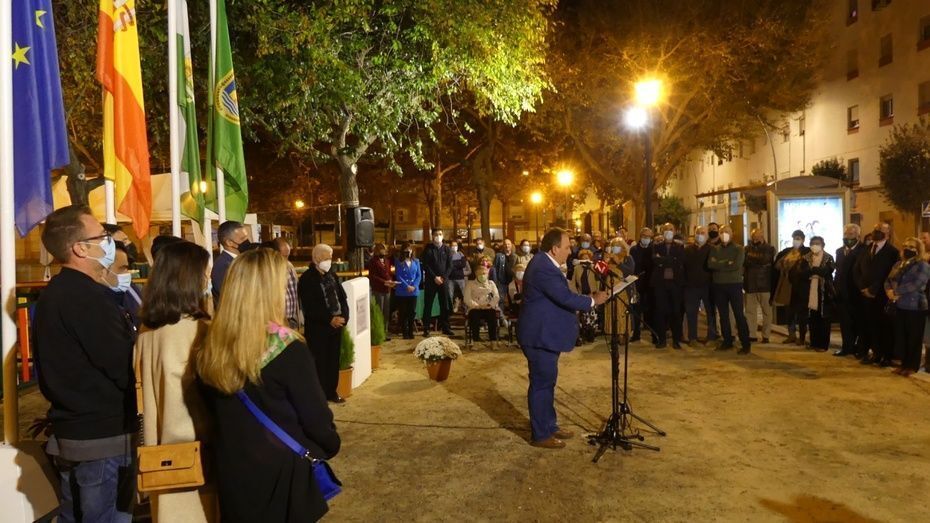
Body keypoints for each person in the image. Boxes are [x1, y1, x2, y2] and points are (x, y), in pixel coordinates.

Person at [195, 249, 340, 522]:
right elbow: (316, 417)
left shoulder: (210, 344)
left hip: (232, 473)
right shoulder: (288, 348)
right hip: (283, 476)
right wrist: (329, 444)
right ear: (269, 292)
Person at [33, 205, 136, 522]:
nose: (110, 242)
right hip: (100, 439)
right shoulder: (86, 297)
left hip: (77, 433)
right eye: (102, 236)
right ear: (79, 248)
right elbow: (121, 364)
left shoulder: (59, 292)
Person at [137, 241, 216, 522]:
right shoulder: (197, 330)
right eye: (204, 273)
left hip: (159, 453)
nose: (207, 280)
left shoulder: (147, 331)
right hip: (194, 450)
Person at [517, 228, 609, 449]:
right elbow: (564, 297)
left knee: (547, 382)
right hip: (539, 336)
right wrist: (592, 301)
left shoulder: (545, 264)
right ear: (554, 248)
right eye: (567, 247)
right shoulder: (543, 267)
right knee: (541, 384)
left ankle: (549, 425)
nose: (570, 251)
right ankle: (541, 434)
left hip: (545, 335)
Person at [298, 243, 350, 403]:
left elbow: (342, 298)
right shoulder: (307, 279)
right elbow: (310, 307)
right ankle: (319, 396)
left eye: (330, 258)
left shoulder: (332, 275)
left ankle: (332, 392)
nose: (329, 261)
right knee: (319, 363)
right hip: (318, 330)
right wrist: (329, 319)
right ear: (316, 258)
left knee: (333, 361)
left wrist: (344, 317)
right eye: (326, 258)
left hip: (336, 328)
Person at [854, 222, 900, 366]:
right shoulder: (866, 249)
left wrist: (874, 289)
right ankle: (876, 353)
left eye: (880, 230)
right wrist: (862, 287)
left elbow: (890, 274)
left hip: (881, 295)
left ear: (887, 234)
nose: (876, 232)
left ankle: (886, 355)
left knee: (884, 327)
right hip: (865, 295)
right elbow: (857, 269)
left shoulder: (893, 252)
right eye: (875, 229)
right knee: (870, 325)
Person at [885, 237, 930, 376]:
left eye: (911, 246)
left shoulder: (922, 265)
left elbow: (917, 284)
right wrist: (889, 291)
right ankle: (903, 364)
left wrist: (896, 292)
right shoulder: (898, 264)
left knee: (914, 338)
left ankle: (912, 365)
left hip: (915, 306)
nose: (907, 249)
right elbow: (888, 279)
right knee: (902, 337)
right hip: (899, 305)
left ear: (918, 249)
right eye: (905, 246)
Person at [707, 225, 751, 354]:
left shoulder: (739, 249)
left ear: (732, 234)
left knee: (739, 315)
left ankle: (745, 343)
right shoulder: (715, 249)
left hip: (734, 285)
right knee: (723, 315)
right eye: (721, 232)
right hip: (719, 285)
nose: (724, 234)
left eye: (726, 232)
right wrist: (727, 262)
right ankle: (727, 341)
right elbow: (710, 264)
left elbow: (736, 265)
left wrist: (719, 263)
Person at [650, 223, 686, 349]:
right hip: (661, 284)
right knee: (660, 311)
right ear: (662, 232)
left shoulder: (680, 246)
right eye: (666, 229)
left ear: (675, 231)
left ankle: (676, 340)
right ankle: (662, 340)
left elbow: (680, 261)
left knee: (676, 312)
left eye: (671, 229)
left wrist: (663, 260)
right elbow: (655, 260)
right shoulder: (657, 246)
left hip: (675, 284)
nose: (668, 231)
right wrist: (671, 260)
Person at [834, 224, 867, 357]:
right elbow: (838, 271)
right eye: (846, 234)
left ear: (858, 236)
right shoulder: (839, 251)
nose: (848, 237)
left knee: (858, 322)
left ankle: (860, 348)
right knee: (845, 322)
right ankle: (847, 347)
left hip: (856, 292)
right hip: (842, 292)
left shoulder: (864, 250)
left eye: (851, 234)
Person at [774, 230, 811, 345]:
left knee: (802, 314)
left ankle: (802, 337)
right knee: (789, 312)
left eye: (798, 238)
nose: (796, 240)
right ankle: (791, 334)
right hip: (788, 286)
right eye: (795, 238)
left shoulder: (807, 251)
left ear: (803, 239)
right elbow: (777, 265)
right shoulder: (787, 251)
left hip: (801, 286)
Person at [799, 236, 836, 351]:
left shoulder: (828, 257)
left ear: (823, 245)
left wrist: (813, 270)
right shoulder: (805, 258)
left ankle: (823, 345)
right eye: (813, 243)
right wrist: (815, 271)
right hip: (810, 292)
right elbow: (802, 273)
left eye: (817, 243)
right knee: (812, 318)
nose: (815, 245)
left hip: (824, 292)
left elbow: (826, 271)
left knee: (824, 319)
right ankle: (814, 343)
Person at [683, 226, 717, 345]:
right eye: (698, 232)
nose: (700, 235)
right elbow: (683, 267)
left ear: (707, 236)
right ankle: (692, 337)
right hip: (691, 286)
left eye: (703, 233)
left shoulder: (712, 249)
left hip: (708, 286)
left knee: (710, 312)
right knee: (691, 313)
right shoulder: (687, 250)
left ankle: (711, 337)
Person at [102, 241, 144, 330]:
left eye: (127, 268)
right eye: (122, 268)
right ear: (103, 270)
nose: (126, 273)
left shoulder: (129, 290)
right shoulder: (96, 305)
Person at [421, 230, 455, 336]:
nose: (438, 236)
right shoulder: (428, 249)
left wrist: (443, 278)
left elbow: (450, 266)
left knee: (444, 305)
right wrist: (434, 277)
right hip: (431, 281)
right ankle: (426, 328)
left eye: (440, 234)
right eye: (436, 234)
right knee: (428, 305)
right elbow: (425, 265)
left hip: (443, 281)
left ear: (443, 236)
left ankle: (445, 327)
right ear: (432, 236)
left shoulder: (447, 249)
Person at [744, 229, 775, 344]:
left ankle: (766, 335)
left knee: (767, 312)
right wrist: (757, 261)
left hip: (765, 284)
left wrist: (752, 260)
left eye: (759, 236)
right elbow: (745, 262)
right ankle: (751, 334)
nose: (756, 238)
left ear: (763, 236)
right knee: (750, 311)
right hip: (750, 284)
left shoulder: (770, 248)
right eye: (754, 236)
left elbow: (764, 259)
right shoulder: (746, 249)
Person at [211, 221, 251, 302]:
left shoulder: (238, 260)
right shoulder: (222, 266)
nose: (247, 241)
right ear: (229, 242)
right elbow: (230, 298)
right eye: (242, 239)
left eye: (246, 237)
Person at [603, 238, 635, 338]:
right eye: (613, 246)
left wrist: (619, 263)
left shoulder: (628, 258)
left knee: (622, 313)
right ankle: (614, 334)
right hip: (610, 289)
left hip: (623, 291)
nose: (615, 248)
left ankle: (624, 334)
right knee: (612, 312)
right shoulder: (609, 258)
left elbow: (630, 271)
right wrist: (605, 263)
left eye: (617, 246)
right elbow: (601, 273)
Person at [629, 227, 655, 343]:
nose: (646, 238)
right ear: (640, 237)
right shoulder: (634, 250)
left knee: (651, 309)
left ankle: (653, 334)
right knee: (636, 310)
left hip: (650, 283)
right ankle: (636, 334)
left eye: (649, 237)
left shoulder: (653, 249)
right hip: (638, 283)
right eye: (644, 236)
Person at [464, 265, 500, 342]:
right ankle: (476, 340)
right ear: (476, 274)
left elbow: (496, 296)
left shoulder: (491, 283)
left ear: (487, 274)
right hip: (475, 308)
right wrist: (477, 306)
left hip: (488, 307)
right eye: (480, 274)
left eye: (484, 274)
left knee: (492, 315)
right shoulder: (470, 284)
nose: (482, 275)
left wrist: (490, 305)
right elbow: (467, 298)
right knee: (474, 317)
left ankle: (493, 341)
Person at [394, 242, 422, 339]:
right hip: (402, 291)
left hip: (413, 291)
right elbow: (398, 276)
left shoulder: (416, 261)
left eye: (409, 249)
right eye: (406, 250)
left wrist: (414, 286)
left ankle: (411, 331)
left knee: (412, 312)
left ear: (412, 251)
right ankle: (404, 332)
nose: (408, 251)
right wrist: (407, 286)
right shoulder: (398, 261)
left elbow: (419, 275)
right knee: (403, 313)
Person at [571, 249, 600, 344]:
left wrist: (595, 292)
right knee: (581, 316)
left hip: (592, 294)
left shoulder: (593, 268)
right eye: (583, 258)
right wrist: (576, 293)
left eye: (587, 258)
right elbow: (573, 283)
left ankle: (591, 334)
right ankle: (581, 335)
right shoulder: (577, 268)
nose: (585, 260)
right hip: (581, 294)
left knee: (592, 316)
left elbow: (598, 281)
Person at [367, 242, 396, 338]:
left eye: (385, 250)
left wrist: (391, 281)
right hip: (378, 289)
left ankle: (385, 331)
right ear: (377, 251)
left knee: (386, 311)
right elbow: (372, 276)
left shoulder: (387, 260)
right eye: (382, 250)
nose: (384, 251)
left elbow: (388, 273)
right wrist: (384, 282)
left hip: (387, 289)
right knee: (379, 311)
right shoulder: (373, 261)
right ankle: (379, 332)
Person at [450, 239, 470, 313]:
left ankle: (466, 309)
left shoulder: (461, 254)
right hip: (450, 278)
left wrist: (453, 265)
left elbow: (463, 264)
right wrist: (457, 264)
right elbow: (448, 265)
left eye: (455, 245)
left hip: (460, 278)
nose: (454, 247)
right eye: (452, 245)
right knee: (450, 295)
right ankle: (450, 310)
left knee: (464, 294)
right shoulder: (448, 255)